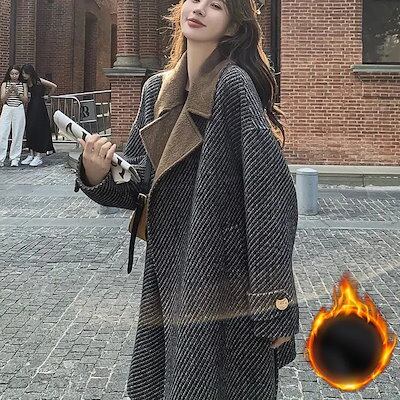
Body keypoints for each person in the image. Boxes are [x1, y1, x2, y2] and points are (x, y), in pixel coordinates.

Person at [75, 0, 299, 399]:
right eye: (194, 0)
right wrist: (96, 171)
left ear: (233, 26)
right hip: (168, 273)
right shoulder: (156, 90)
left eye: (216, 5)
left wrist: (273, 303)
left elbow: (270, 199)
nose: (199, 9)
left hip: (225, 276)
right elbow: (141, 183)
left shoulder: (233, 86)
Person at [20, 64, 56, 167]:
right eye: (23, 73)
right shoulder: (26, 83)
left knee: (39, 128)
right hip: (31, 106)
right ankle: (31, 154)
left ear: (30, 73)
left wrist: (48, 96)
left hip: (40, 106)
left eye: (26, 73)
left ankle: (38, 155)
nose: (24, 75)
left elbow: (54, 86)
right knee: (30, 128)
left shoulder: (39, 80)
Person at [0, 65, 28, 167]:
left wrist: (17, 92)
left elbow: (25, 100)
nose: (14, 76)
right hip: (7, 108)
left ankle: (15, 158)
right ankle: (1, 158)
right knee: (3, 133)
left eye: (16, 74)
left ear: (19, 74)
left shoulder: (23, 84)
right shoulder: (5, 84)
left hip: (18, 108)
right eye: (12, 74)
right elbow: (2, 100)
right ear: (9, 74)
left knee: (17, 134)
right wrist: (9, 91)